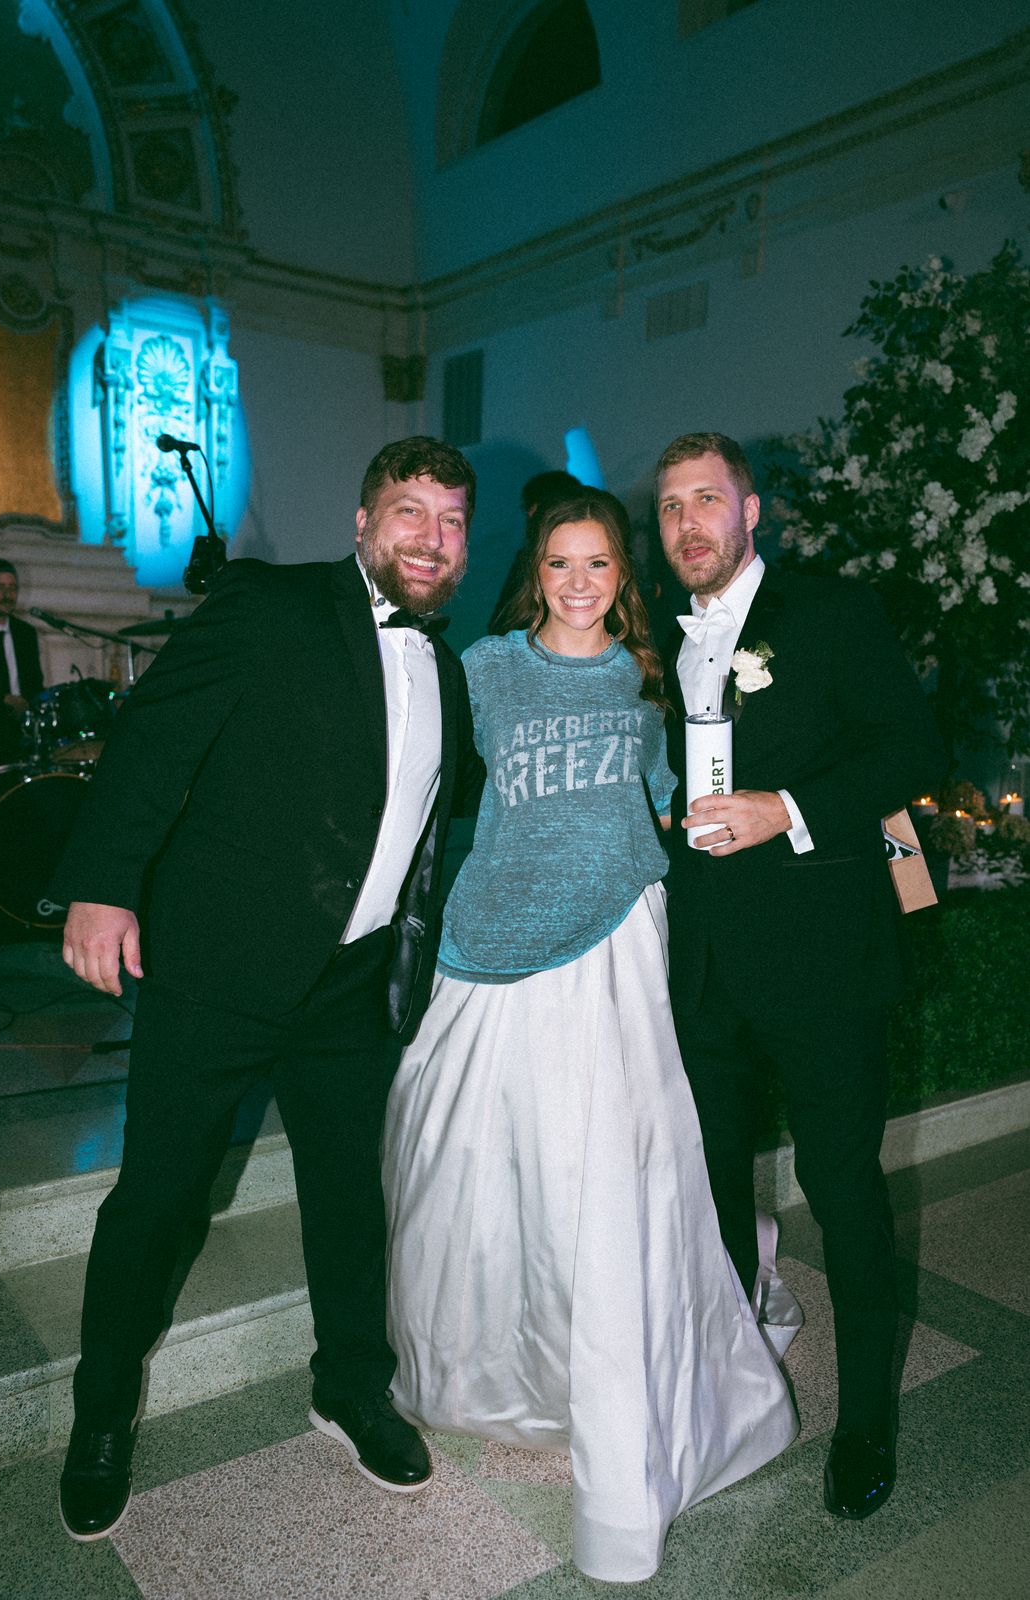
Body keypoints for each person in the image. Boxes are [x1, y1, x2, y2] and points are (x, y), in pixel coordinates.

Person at [50, 437, 484, 1541]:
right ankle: (100, 1413)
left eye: (451, 520)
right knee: (157, 1199)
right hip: (220, 968)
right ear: (361, 522)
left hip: (351, 983)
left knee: (349, 1198)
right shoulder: (268, 604)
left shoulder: (445, 669)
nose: (431, 537)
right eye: (409, 512)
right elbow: (153, 738)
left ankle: (349, 1387)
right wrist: (102, 886)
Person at [383, 489, 798, 1584]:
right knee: (479, 1166)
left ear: (623, 577)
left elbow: (666, 803)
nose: (578, 581)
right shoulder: (482, 667)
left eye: (598, 563)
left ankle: (619, 1388)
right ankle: (500, 1368)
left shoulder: (644, 680)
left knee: (608, 1174)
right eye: (559, 562)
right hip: (493, 941)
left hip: (616, 945)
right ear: (536, 571)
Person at [655, 432, 943, 1522]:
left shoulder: (828, 611)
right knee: (714, 1189)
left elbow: (910, 748)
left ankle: (864, 1419)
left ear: (751, 511)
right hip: (702, 966)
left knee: (842, 1189)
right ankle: (736, 1392)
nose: (688, 522)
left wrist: (785, 809)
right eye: (670, 505)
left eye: (706, 499)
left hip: (823, 963)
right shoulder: (657, 632)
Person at [487, 468, 581, 633]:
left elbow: (500, 625)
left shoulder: (530, 557)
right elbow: (501, 624)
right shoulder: (527, 558)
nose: (530, 516)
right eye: (528, 508)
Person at [0, 558, 44, 768]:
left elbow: (34, 684)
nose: (7, 595)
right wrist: (4, 700)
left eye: (12, 588)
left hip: (18, 733)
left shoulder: (25, 633)